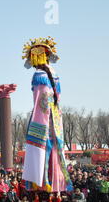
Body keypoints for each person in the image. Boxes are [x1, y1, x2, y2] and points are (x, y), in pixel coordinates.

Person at [21, 37, 72, 193]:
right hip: (56, 117)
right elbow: (56, 96)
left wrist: (37, 118)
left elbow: (41, 100)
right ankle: (54, 182)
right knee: (55, 149)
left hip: (42, 117)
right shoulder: (54, 74)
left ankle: (43, 181)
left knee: (39, 148)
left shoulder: (39, 75)